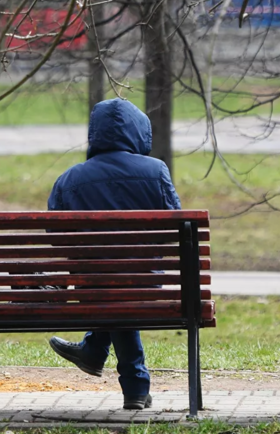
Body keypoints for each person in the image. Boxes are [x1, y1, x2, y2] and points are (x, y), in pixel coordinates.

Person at [46, 98, 181, 410]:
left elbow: (55, 238)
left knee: (109, 288)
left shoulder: (71, 178)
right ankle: (131, 382)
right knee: (122, 288)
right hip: (146, 284)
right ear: (138, 131)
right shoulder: (156, 171)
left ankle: (100, 355)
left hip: (92, 287)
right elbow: (175, 227)